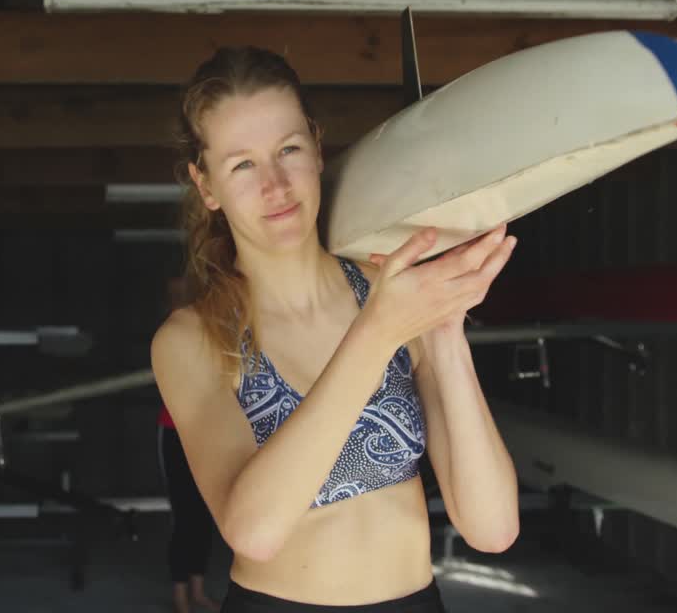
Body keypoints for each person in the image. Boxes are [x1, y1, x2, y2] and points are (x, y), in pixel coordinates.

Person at [151, 46, 520, 613]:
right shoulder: (192, 339)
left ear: (317, 148)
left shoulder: (392, 291)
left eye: (288, 149)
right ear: (206, 187)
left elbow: (491, 529)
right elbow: (253, 531)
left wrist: (444, 331)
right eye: (242, 164)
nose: (275, 184)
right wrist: (376, 333)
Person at [159, 400, 222, 612]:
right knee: (183, 516)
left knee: (204, 515)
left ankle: (197, 592)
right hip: (175, 429)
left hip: (208, 432)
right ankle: (180, 597)